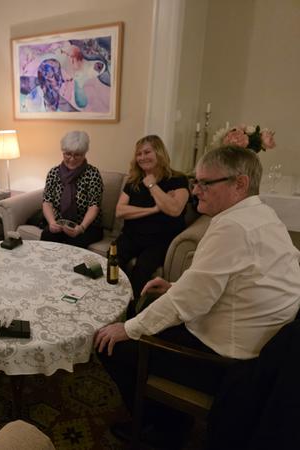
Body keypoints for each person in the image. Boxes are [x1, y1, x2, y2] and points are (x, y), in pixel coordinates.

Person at [95, 146, 300, 446]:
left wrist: (127, 328)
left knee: (111, 345)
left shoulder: (232, 227)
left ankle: (163, 428)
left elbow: (189, 302)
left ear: (240, 184)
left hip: (228, 362)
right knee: (151, 306)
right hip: (263, 347)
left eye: (205, 183)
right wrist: (175, 286)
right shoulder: (264, 214)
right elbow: (226, 283)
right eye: (196, 182)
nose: (195, 191)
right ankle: (170, 418)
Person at [115, 135, 189, 303]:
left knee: (141, 270)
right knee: (112, 261)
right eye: (139, 154)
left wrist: (151, 185)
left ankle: (133, 309)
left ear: (159, 152)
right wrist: (154, 209)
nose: (142, 157)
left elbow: (174, 209)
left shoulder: (178, 180)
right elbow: (120, 211)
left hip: (160, 240)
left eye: (147, 152)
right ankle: (112, 300)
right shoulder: (134, 180)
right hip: (132, 235)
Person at [40, 130, 104, 248]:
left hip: (87, 226)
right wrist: (52, 223)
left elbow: (94, 206)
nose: (72, 159)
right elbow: (47, 202)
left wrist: (81, 228)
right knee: (47, 235)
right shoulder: (54, 173)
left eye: (77, 155)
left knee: (75, 242)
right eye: (68, 154)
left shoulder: (93, 174)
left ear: (84, 154)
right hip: (61, 223)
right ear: (63, 152)